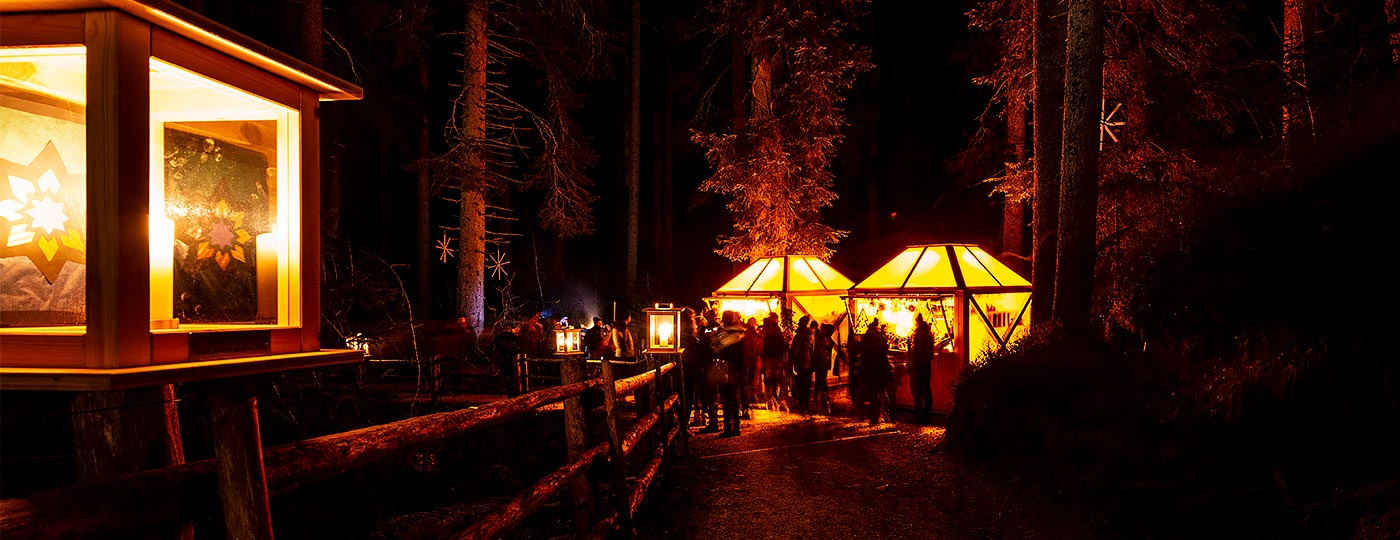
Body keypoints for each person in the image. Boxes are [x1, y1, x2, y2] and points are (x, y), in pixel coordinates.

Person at [709, 310, 748, 437]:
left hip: (728, 369)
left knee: (727, 399)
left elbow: (718, 349)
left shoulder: (728, 334)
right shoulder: (738, 332)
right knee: (732, 399)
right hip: (735, 370)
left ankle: (729, 428)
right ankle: (734, 426)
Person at [859, 318, 892, 425]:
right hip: (882, 368)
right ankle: (885, 412)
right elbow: (884, 352)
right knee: (883, 391)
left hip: (871, 369)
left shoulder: (867, 338)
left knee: (873, 392)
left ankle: (876, 414)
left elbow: (863, 351)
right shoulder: (881, 338)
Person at [908, 313, 935, 420]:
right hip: (925, 364)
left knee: (918, 388)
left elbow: (916, 352)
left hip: (919, 364)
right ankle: (926, 410)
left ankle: (920, 411)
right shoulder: (928, 336)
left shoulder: (919, 338)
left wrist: (913, 363)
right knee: (926, 387)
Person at [759, 312, 788, 411]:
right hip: (777, 358)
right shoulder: (776, 330)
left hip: (767, 358)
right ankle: (777, 399)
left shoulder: (764, 330)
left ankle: (769, 400)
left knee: (768, 380)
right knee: (777, 380)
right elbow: (781, 344)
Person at [789, 315, 815, 413]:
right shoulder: (810, 335)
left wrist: (791, 361)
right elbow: (813, 350)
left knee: (800, 383)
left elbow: (795, 350)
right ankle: (806, 404)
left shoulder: (799, 336)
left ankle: (802, 404)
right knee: (807, 384)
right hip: (808, 362)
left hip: (800, 362)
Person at [741, 316, 763, 419]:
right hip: (751, 361)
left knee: (746, 384)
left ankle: (745, 407)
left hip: (747, 361)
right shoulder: (753, 335)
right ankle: (746, 406)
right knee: (748, 383)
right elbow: (758, 348)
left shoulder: (746, 333)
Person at [812, 322, 836, 414]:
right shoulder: (825, 338)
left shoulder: (821, 337)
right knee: (821, 378)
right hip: (823, 362)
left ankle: (820, 395)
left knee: (820, 378)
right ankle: (821, 395)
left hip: (821, 362)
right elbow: (829, 345)